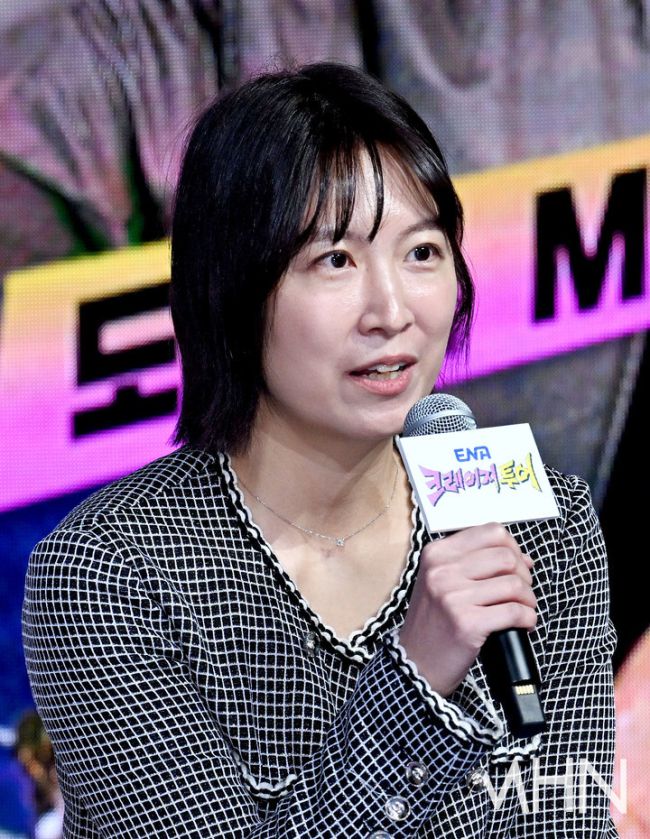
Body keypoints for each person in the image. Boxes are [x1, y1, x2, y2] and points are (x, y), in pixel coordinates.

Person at [22, 63, 619, 837]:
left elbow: (567, 822)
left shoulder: (542, 523)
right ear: (233, 291)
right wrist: (416, 678)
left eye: (423, 252)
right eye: (335, 260)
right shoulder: (113, 573)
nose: (392, 311)